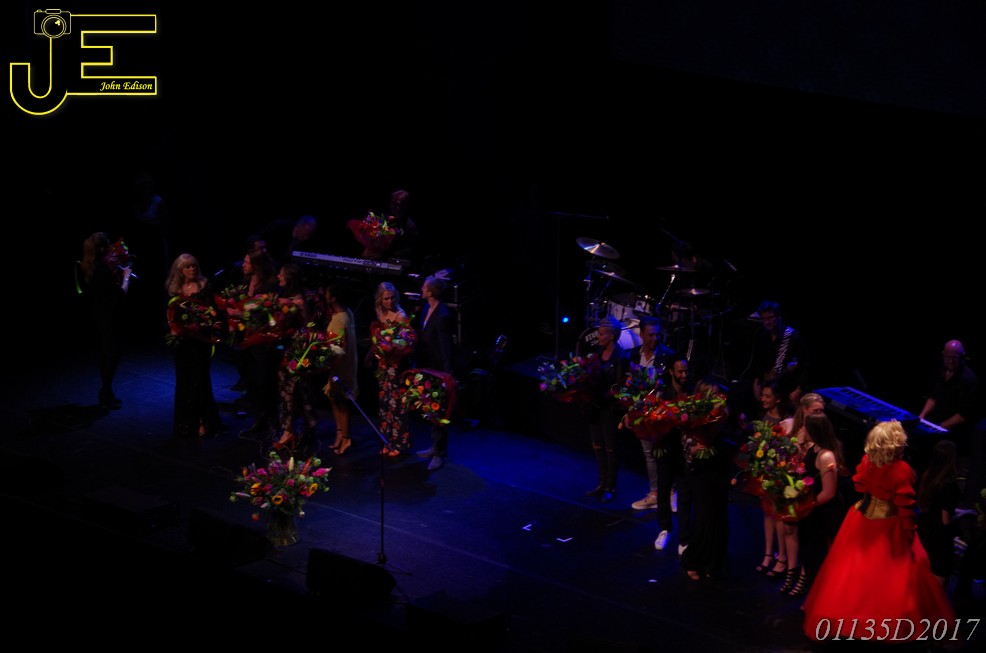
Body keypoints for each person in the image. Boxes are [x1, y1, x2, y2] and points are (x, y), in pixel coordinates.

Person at [802, 420, 956, 642]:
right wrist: (908, 533)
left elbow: (861, 486)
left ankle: (851, 618)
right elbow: (904, 506)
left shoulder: (867, 461)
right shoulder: (902, 470)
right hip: (887, 525)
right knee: (889, 576)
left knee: (853, 572)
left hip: (861, 519)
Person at [164, 253, 223, 439]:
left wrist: (209, 325)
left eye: (194, 265)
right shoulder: (174, 289)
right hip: (183, 342)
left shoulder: (204, 286)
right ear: (180, 270)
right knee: (184, 381)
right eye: (187, 266)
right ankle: (186, 423)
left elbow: (212, 311)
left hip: (201, 340)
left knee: (201, 380)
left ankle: (204, 422)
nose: (192, 269)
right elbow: (172, 316)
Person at [679, 377, 732, 581]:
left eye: (717, 393)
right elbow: (685, 442)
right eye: (712, 393)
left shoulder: (724, 413)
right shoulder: (693, 412)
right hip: (701, 471)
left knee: (719, 516)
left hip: (718, 466)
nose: (716, 397)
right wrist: (694, 449)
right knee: (704, 516)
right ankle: (694, 560)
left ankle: (714, 562)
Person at [791, 412, 847, 598]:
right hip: (812, 512)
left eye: (805, 427)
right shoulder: (812, 449)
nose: (802, 429)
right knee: (809, 556)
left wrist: (807, 506)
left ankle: (822, 599)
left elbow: (829, 492)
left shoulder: (826, 456)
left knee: (819, 557)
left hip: (823, 515)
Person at [79, 232, 133, 409]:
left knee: (107, 353)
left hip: (97, 312)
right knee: (112, 353)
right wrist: (126, 276)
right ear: (101, 248)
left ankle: (106, 391)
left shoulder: (87, 267)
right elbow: (121, 293)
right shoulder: (102, 270)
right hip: (108, 314)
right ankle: (105, 391)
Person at [748, 380, 795, 578]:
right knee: (767, 514)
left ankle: (782, 557)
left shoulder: (788, 420)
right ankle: (768, 554)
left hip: (781, 474)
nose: (763, 399)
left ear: (778, 399)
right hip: (766, 472)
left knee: (779, 516)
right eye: (763, 395)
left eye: (768, 396)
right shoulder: (762, 418)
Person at [232, 249, 281, 439]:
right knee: (251, 379)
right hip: (245, 337)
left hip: (263, 339)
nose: (243, 265)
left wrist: (241, 312)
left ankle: (272, 421)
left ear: (257, 265)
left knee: (265, 380)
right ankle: (259, 417)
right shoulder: (245, 281)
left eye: (247, 262)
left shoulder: (270, 284)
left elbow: (266, 312)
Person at [581, 315, 628, 503]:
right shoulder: (598, 352)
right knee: (597, 445)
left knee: (611, 448)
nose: (598, 337)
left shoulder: (620, 356)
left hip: (609, 408)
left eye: (601, 334)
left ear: (611, 336)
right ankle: (601, 483)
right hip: (595, 406)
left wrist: (601, 395)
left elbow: (618, 387)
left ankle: (610, 486)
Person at [272, 262, 316, 452]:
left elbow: (308, 328)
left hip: (297, 353)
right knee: (287, 391)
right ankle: (290, 430)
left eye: (281, 274)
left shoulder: (298, 302)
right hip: (287, 348)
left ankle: (292, 431)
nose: (278, 277)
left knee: (295, 391)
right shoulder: (286, 299)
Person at [627, 317, 670, 511]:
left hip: (661, 413)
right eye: (651, 335)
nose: (655, 338)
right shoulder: (633, 354)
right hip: (642, 413)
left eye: (658, 334)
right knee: (649, 454)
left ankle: (670, 492)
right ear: (642, 334)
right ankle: (655, 493)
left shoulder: (667, 355)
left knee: (665, 454)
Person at [366, 281, 414, 456]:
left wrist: (392, 345)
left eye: (392, 298)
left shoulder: (401, 316)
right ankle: (387, 441)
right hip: (383, 365)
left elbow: (407, 342)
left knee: (397, 405)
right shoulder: (379, 312)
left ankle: (399, 443)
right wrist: (374, 351)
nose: (390, 301)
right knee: (385, 404)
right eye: (386, 298)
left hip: (396, 365)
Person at [414, 275, 456, 471]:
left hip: (439, 369)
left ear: (430, 292)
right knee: (431, 408)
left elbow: (446, 346)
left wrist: (448, 374)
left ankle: (440, 453)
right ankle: (434, 446)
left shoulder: (443, 315)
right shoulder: (426, 308)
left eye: (424, 287)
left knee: (440, 410)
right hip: (428, 366)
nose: (422, 289)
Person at [653, 357, 694, 553]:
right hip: (666, 448)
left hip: (685, 452)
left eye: (686, 371)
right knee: (663, 491)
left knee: (685, 495)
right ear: (671, 372)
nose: (684, 375)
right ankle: (664, 529)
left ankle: (684, 539)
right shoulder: (663, 393)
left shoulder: (692, 392)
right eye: (680, 371)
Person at [916, 439, 969, 587]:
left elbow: (934, 506)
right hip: (938, 539)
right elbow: (945, 520)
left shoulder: (927, 476)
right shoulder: (949, 485)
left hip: (923, 531)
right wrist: (961, 517)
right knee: (937, 584)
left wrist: (961, 511)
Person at [917, 339, 980, 460]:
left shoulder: (969, 379)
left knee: (928, 443)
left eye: (955, 358)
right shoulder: (944, 370)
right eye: (948, 357)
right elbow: (933, 397)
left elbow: (963, 415)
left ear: (962, 357)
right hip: (939, 421)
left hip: (956, 429)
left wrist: (939, 427)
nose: (951, 361)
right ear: (943, 355)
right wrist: (921, 417)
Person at [746, 300, 810, 411]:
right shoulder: (763, 335)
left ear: (778, 316)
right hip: (769, 390)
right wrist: (756, 383)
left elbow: (806, 364)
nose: (767, 322)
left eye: (770, 318)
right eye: (764, 319)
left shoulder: (792, 336)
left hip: (788, 390)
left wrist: (799, 389)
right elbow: (759, 362)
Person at [322, 279, 359, 456]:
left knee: (341, 400)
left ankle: (346, 437)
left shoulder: (339, 320)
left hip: (341, 366)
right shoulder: (346, 313)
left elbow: (337, 347)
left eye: (327, 293)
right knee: (335, 398)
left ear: (334, 297)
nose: (325, 296)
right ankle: (340, 433)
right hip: (345, 364)